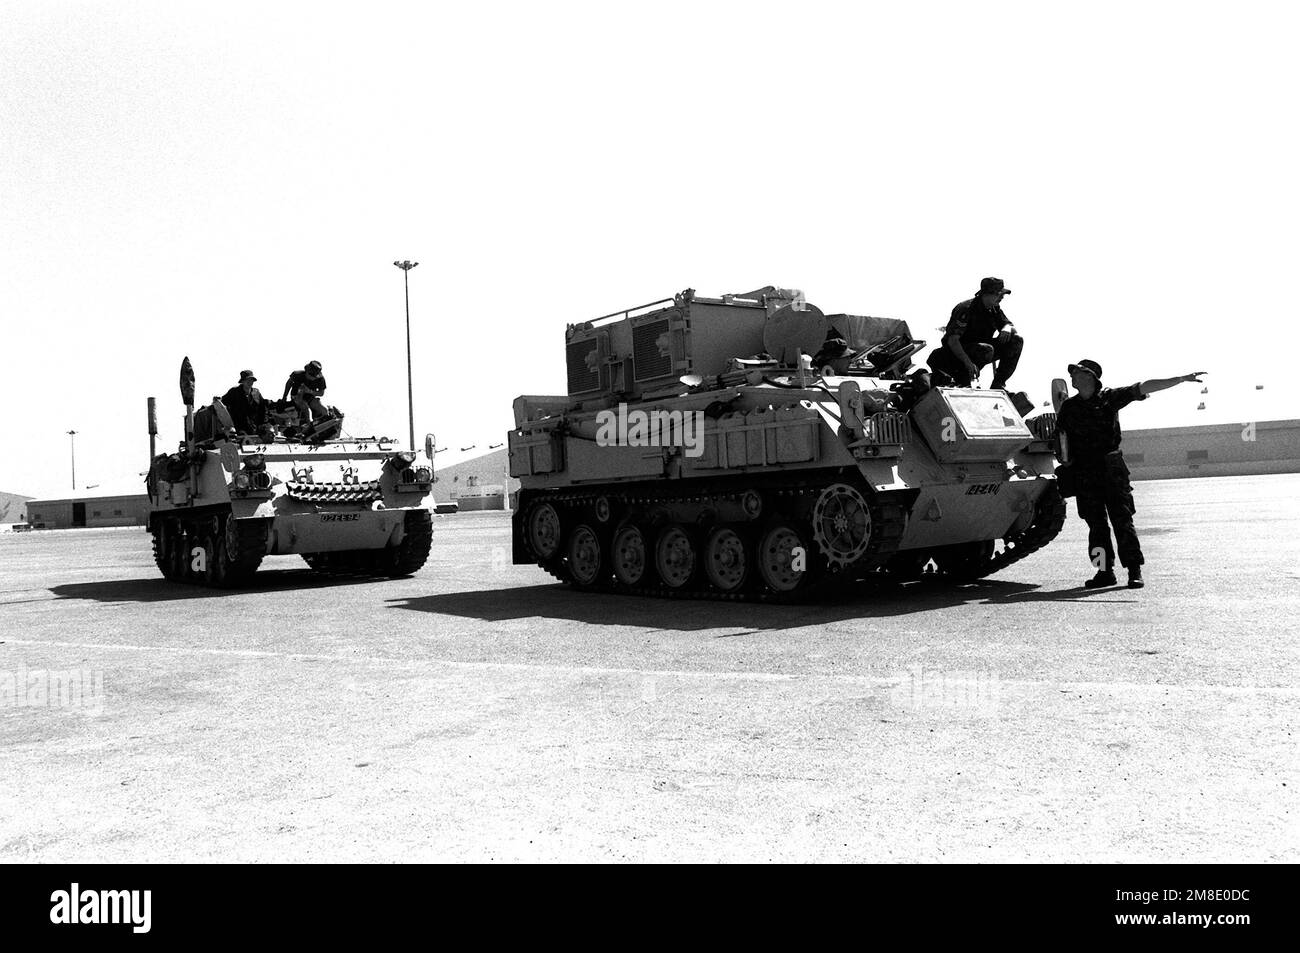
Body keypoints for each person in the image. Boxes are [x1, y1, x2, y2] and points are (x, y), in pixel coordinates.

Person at [1056, 359, 1205, 589]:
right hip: (1085, 471)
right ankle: (1104, 571)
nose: (1072, 376)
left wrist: (1180, 379)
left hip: (1111, 468)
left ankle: (1134, 570)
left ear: (1090, 376)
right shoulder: (1069, 407)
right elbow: (1062, 438)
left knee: (1122, 520)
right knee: (1096, 525)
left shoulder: (1109, 398)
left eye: (1076, 372)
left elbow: (1143, 387)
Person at [928, 277, 1023, 389]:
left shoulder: (993, 309)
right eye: (999, 294)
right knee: (986, 349)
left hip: (981, 351)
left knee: (1016, 340)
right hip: (952, 356)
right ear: (987, 294)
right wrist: (968, 363)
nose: (1002, 297)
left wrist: (1006, 327)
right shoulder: (966, 309)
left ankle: (998, 386)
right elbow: (952, 341)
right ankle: (965, 381)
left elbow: (1010, 326)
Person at [220, 370, 267, 436]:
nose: (249, 382)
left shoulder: (256, 393)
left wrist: (262, 424)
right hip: (237, 428)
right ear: (242, 381)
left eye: (251, 380)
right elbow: (222, 404)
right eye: (247, 380)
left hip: (253, 428)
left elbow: (262, 409)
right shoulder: (234, 392)